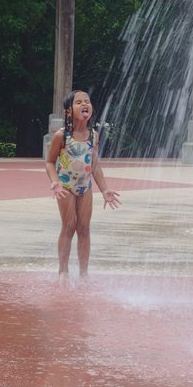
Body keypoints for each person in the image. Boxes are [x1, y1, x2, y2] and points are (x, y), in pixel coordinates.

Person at [44, 89, 121, 285]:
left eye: (86, 101)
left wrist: (104, 189)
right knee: (69, 226)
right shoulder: (62, 136)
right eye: (78, 102)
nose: (84, 104)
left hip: (85, 187)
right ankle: (63, 270)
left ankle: (84, 273)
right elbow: (50, 162)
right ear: (68, 111)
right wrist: (55, 182)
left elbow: (94, 165)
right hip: (66, 186)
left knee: (84, 229)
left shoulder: (93, 136)